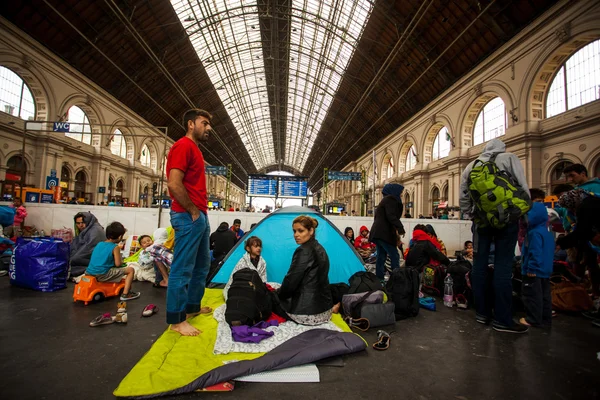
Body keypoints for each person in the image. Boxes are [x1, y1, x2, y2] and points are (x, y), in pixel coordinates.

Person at [459, 138, 530, 333]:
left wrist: (473, 215)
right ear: (502, 148)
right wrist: (524, 215)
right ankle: (503, 319)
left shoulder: (471, 166)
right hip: (507, 221)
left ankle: (481, 313)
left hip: (481, 223)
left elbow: (464, 196)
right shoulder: (509, 158)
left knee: (479, 266)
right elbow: (522, 188)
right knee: (503, 267)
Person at [165, 109, 213, 336]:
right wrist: (193, 211)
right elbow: (174, 184)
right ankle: (176, 320)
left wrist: (200, 213)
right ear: (191, 124)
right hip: (188, 215)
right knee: (182, 268)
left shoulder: (195, 149)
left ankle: (191, 308)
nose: (209, 128)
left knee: (202, 265)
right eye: (205, 123)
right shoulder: (183, 146)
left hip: (199, 215)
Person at [278, 216, 333, 325]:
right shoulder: (320, 248)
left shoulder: (303, 251)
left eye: (300, 231)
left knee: (270, 297)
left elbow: (291, 281)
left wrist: (278, 295)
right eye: (294, 231)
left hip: (306, 313)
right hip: (326, 310)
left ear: (311, 231)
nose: (296, 235)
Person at [556, 189, 600, 297]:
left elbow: (582, 231)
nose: (570, 210)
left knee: (592, 265)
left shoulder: (585, 207)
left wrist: (561, 243)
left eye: (569, 207)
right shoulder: (591, 199)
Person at [519, 202, 554, 328]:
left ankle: (532, 319)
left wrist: (531, 268)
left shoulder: (534, 233)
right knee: (545, 296)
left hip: (533, 271)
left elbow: (535, 251)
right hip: (545, 271)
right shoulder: (547, 233)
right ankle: (545, 319)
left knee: (531, 296)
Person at [85, 222, 140, 301]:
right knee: (131, 270)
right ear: (120, 236)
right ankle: (126, 294)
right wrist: (122, 262)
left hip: (89, 272)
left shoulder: (99, 244)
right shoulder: (115, 247)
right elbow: (118, 264)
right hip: (102, 274)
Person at [369, 183, 406, 279]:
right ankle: (396, 278)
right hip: (383, 233)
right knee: (394, 255)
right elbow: (391, 216)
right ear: (394, 191)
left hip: (379, 233)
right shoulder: (391, 200)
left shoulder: (385, 200)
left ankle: (379, 278)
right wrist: (400, 228)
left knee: (381, 256)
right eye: (400, 192)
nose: (401, 194)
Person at [223, 236, 267, 300]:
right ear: (248, 248)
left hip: (256, 288)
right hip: (242, 286)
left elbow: (263, 278)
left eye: (260, 246)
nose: (259, 248)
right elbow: (235, 277)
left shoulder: (262, 262)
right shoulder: (242, 262)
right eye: (256, 246)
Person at [70, 212, 106, 278]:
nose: (80, 225)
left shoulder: (95, 231)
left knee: (72, 261)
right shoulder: (88, 229)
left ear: (88, 221)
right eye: (78, 223)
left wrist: (73, 258)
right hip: (88, 256)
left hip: (95, 259)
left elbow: (88, 249)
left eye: (83, 222)